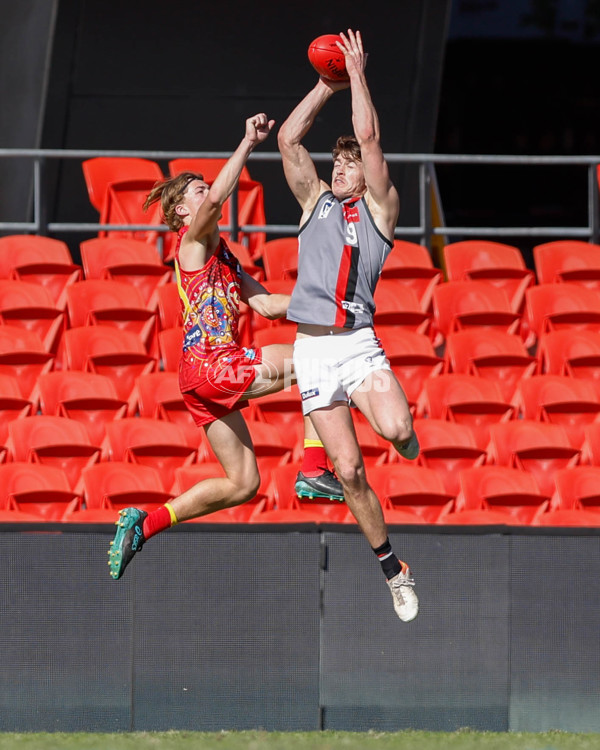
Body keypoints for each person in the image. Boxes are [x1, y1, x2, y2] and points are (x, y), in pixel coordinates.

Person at [107, 112, 343, 581]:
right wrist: (247, 142)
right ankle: (316, 466)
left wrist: (328, 303)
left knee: (244, 484)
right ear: (182, 213)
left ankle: (143, 525)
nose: (208, 192)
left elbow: (271, 306)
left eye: (204, 188)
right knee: (321, 360)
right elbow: (216, 200)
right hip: (213, 366)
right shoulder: (191, 242)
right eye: (198, 191)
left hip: (198, 380)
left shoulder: (223, 257)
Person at [277, 30, 420, 622]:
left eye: (347, 163)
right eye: (334, 161)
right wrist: (324, 85)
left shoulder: (381, 209)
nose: (339, 167)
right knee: (350, 471)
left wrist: (357, 75)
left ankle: (402, 432)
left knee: (397, 432)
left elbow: (369, 135)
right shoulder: (315, 203)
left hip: (358, 344)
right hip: (312, 351)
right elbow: (288, 139)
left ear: (365, 173)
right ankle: (394, 569)